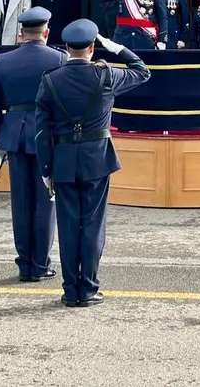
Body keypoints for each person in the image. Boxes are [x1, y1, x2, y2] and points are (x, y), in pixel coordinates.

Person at [35, 19, 151, 307]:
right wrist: (118, 48)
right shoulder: (106, 75)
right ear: (92, 47)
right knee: (92, 225)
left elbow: (40, 131)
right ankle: (88, 287)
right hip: (96, 159)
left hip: (62, 160)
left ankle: (70, 289)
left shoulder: (50, 79)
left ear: (65, 48)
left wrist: (46, 169)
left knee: (68, 225)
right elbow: (142, 71)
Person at [0, 7, 65, 282]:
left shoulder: (3, 61)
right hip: (48, 135)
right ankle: (40, 263)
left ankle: (25, 264)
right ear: (46, 32)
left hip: (14, 134)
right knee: (46, 201)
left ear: (21, 34)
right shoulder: (60, 58)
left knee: (21, 202)